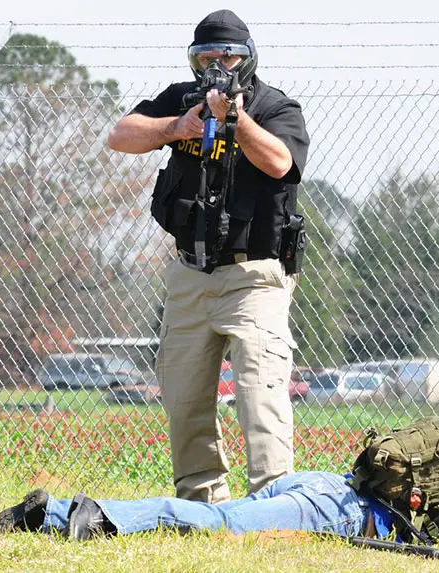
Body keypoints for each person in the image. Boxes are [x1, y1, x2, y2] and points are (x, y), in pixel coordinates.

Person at [107, 9, 310, 502]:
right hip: (189, 273)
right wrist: (178, 127)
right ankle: (201, 502)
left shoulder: (276, 107)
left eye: (228, 56)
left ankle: (274, 504)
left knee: (260, 391)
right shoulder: (183, 99)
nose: (217, 66)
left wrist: (235, 122)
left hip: (254, 277)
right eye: (206, 56)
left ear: (248, 58)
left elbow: (282, 162)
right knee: (183, 396)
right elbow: (120, 135)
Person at [0, 455, 439, 554]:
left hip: (318, 481)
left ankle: (42, 514)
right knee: (219, 521)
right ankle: (97, 514)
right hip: (332, 511)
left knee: (236, 515)